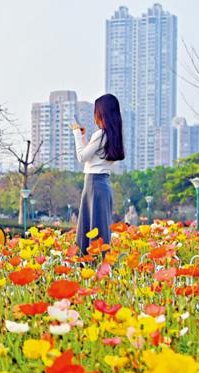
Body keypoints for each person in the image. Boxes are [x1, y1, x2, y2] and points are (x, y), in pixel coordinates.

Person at [71, 93, 125, 255]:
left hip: (93, 183)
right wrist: (84, 138)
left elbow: (82, 157)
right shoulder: (112, 135)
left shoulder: (101, 134)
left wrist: (76, 135)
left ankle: (89, 265)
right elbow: (93, 157)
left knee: (90, 227)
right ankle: (101, 264)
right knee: (100, 227)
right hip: (103, 184)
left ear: (101, 113)